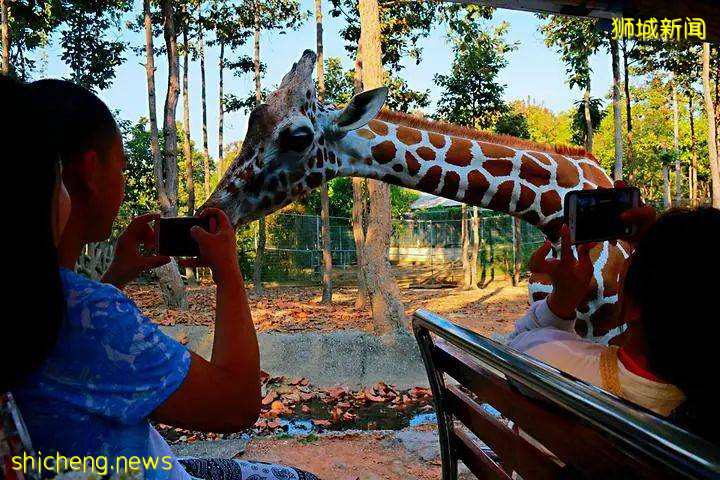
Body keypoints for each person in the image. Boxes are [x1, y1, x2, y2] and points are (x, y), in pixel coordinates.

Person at [9, 78, 319, 480]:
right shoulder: (95, 316)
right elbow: (236, 404)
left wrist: (117, 273)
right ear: (89, 173)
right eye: (120, 167)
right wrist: (228, 273)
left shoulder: (30, 300)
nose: (122, 179)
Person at [509, 202, 720, 444]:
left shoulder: (557, 363)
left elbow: (513, 351)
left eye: (630, 263)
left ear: (633, 307)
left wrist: (561, 302)